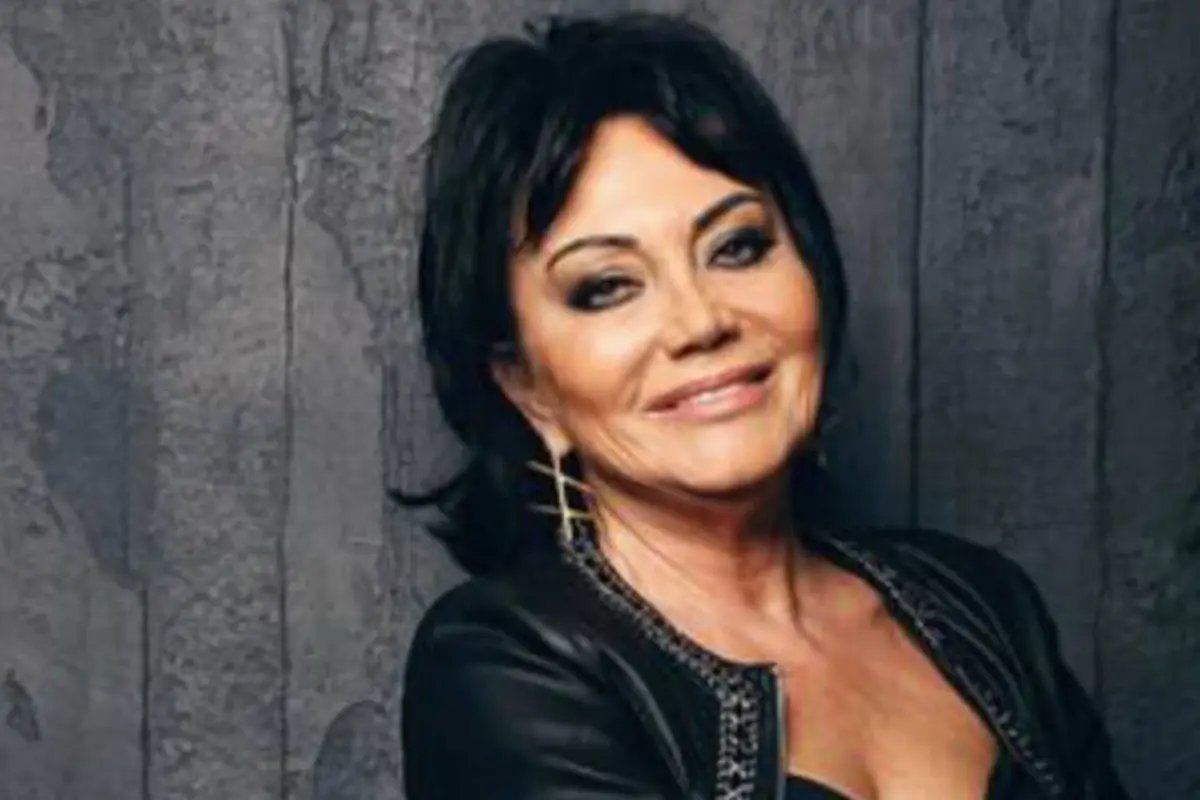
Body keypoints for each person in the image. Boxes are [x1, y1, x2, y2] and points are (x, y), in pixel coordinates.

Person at [396, 11, 1130, 799]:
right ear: (527, 386)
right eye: (607, 288)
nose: (701, 321)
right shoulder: (502, 665)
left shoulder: (983, 606)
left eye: (737, 247)